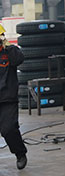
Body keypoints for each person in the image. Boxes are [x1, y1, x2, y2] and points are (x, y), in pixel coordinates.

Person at [0, 23, 27, 170]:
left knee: (8, 130)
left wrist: (8, 47)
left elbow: (19, 60)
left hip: (7, 99)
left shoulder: (10, 52)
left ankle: (20, 153)